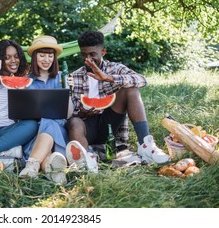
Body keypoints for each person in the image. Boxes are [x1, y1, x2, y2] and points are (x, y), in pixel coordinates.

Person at [65, 30, 170, 167]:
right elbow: (70, 110)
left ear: (103, 52)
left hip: (110, 123)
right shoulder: (75, 76)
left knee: (131, 90)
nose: (88, 60)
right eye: (84, 55)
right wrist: (81, 112)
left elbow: (142, 80)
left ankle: (146, 146)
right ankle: (86, 160)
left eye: (92, 54)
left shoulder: (115, 68)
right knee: (73, 122)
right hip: (86, 126)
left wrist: (108, 77)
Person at [18, 36, 73, 185]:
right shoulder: (26, 81)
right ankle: (55, 173)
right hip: (34, 132)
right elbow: (20, 116)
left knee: (49, 121)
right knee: (47, 123)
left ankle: (32, 166)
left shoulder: (62, 78)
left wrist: (67, 91)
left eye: (50, 56)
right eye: (42, 55)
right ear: (35, 57)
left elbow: (68, 114)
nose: (46, 59)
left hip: (59, 131)